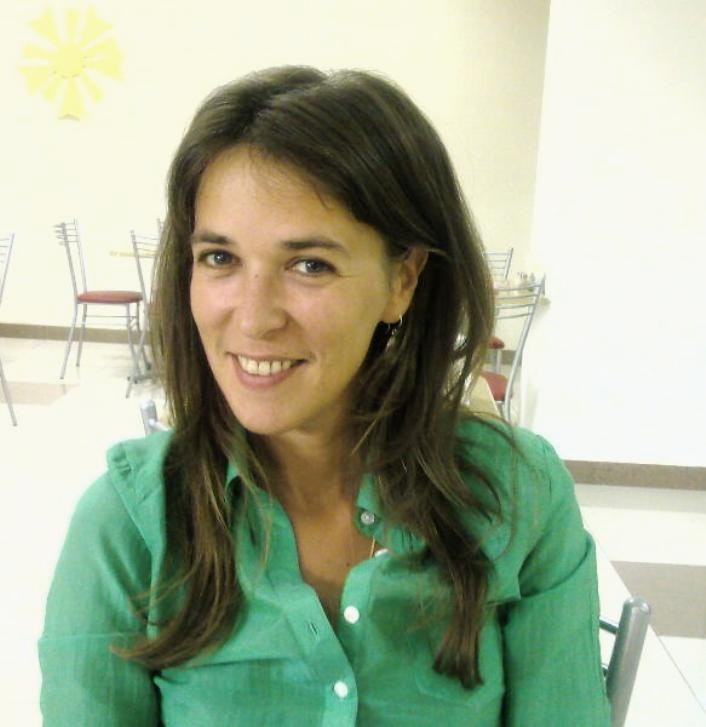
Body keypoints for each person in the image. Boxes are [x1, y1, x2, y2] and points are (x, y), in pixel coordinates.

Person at [39, 66, 611, 726]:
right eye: (220, 258)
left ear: (402, 279)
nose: (254, 317)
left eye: (309, 265)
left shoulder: (517, 495)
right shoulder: (129, 525)